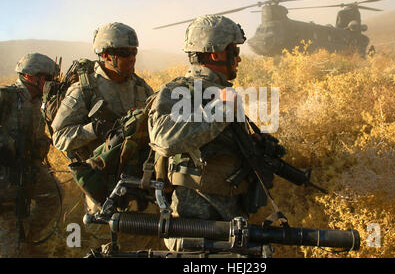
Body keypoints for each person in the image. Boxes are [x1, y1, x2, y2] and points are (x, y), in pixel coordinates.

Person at [147, 15, 257, 252]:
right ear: (216, 53)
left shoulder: (222, 92)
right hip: (195, 224)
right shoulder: (179, 90)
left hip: (230, 217)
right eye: (234, 50)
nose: (238, 58)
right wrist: (221, 111)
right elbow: (163, 138)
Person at [51, 22, 153, 213]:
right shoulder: (84, 90)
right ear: (106, 55)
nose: (131, 58)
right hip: (101, 180)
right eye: (124, 53)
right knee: (103, 234)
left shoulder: (140, 87)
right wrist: (94, 129)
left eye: (134, 52)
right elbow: (60, 137)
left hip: (137, 177)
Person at [0, 53, 60, 257]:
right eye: (47, 78)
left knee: (54, 194)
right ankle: (17, 243)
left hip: (30, 167)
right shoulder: (6, 96)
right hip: (6, 174)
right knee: (11, 217)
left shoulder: (39, 102)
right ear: (30, 76)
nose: (50, 84)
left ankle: (27, 237)